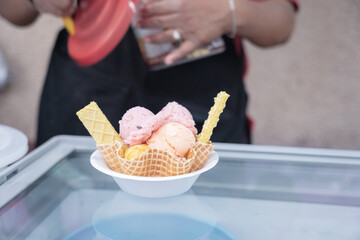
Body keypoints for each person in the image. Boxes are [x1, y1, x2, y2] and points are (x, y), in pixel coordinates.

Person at [0, 0, 298, 146]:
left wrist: (230, 11)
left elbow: (280, 22)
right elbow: (14, 10)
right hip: (87, 91)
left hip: (204, 94)